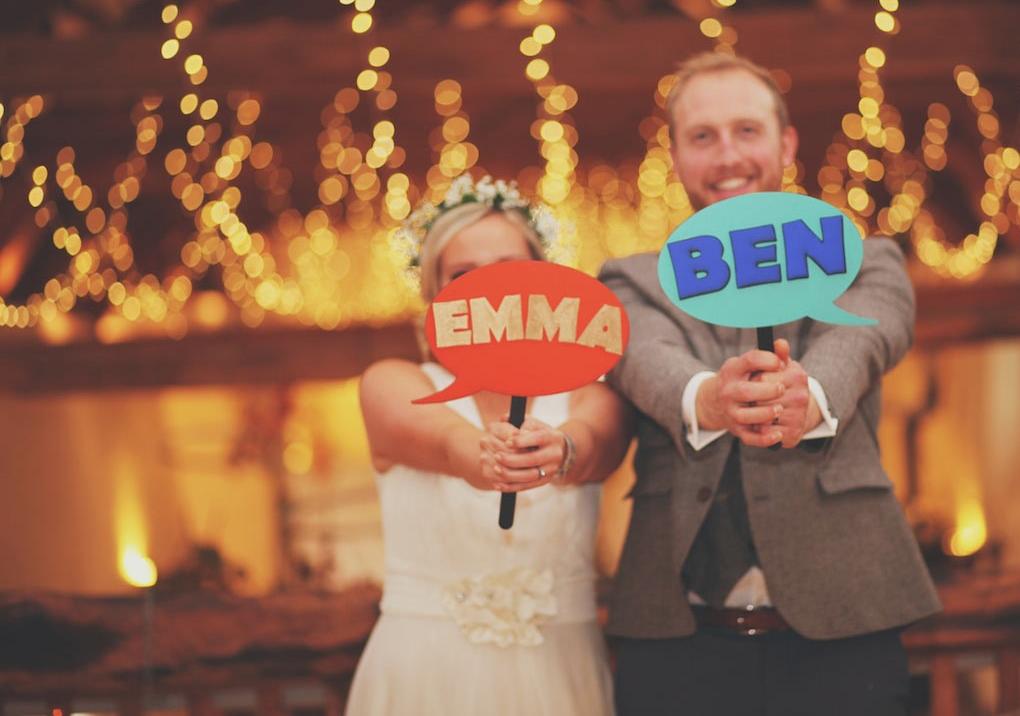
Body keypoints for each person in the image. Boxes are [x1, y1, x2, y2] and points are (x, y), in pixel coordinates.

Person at [599, 53, 941, 715]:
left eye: (747, 131)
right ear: (675, 156)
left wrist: (806, 394)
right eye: (703, 137)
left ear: (785, 144)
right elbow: (644, 361)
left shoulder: (866, 258)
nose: (727, 155)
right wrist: (707, 398)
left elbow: (866, 337)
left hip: (845, 635)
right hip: (677, 645)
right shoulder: (628, 280)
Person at [346, 175, 633, 715]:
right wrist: (483, 454)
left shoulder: (591, 393)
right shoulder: (390, 381)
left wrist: (563, 451)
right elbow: (446, 441)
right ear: (433, 298)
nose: (489, 293)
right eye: (462, 276)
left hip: (560, 675)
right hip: (424, 675)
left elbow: (597, 442)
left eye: (507, 271)